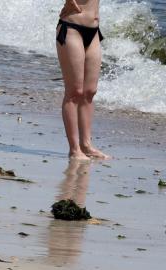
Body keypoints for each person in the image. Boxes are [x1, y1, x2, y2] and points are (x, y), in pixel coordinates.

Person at [56, 0, 110, 160]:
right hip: (71, 28)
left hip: (93, 32)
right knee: (74, 92)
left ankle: (86, 145)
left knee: (89, 92)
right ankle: (74, 150)